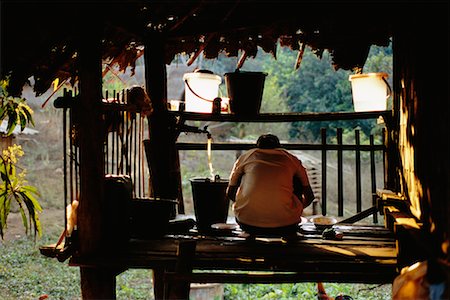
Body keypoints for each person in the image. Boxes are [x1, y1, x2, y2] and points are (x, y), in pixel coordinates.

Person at [226, 133, 315, 237]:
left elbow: (230, 193)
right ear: (279, 147)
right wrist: (294, 210)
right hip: (286, 225)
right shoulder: (292, 159)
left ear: (257, 147)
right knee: (296, 178)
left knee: (245, 175)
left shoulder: (246, 157)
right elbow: (309, 196)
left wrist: (245, 203)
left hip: (247, 224)